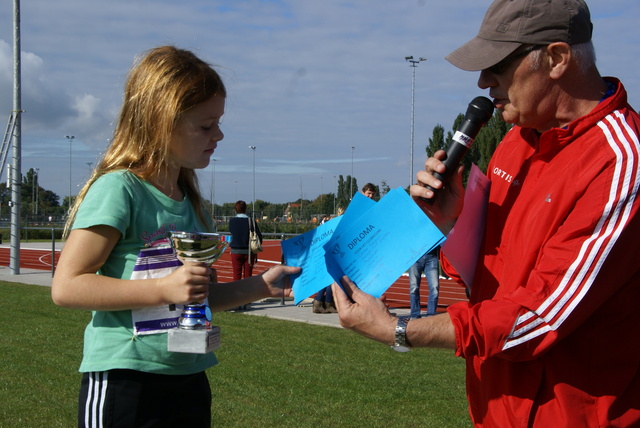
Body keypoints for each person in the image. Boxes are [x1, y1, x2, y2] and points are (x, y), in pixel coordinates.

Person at [332, 1, 640, 426]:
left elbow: (538, 318)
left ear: (556, 58)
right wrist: (449, 222)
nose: (482, 80)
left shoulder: (620, 162)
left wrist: (399, 330)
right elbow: (487, 273)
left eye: (498, 64)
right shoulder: (516, 141)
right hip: (496, 408)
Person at [50, 46, 300, 428]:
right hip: (124, 379)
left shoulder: (194, 204)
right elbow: (67, 287)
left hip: (188, 378)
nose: (218, 134)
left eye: (217, 122)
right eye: (205, 125)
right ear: (160, 121)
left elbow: (194, 297)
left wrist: (261, 287)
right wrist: (164, 289)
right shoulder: (121, 189)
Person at [229, 200, 262, 281]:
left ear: (235, 209)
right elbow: (259, 236)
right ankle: (248, 293)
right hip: (249, 251)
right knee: (248, 276)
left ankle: (236, 292)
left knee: (236, 275)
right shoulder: (250, 221)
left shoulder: (232, 221)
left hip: (235, 251)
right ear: (245, 209)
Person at [407, 246, 440, 319]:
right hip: (415, 257)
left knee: (435, 287)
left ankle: (431, 315)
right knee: (414, 287)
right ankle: (415, 314)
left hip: (432, 257)